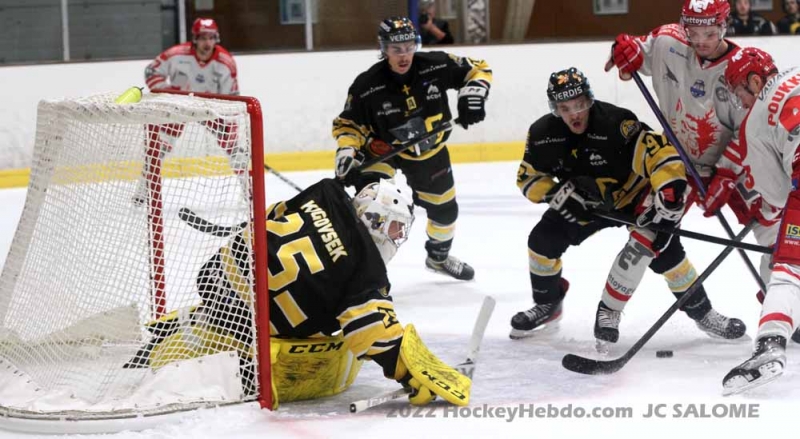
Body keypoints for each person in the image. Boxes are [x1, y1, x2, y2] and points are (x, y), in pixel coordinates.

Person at [125, 178, 472, 408]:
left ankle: (193, 321)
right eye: (394, 227)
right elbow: (372, 335)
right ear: (376, 220)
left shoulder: (326, 191)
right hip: (255, 329)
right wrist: (409, 370)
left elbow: (274, 213)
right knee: (326, 330)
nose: (396, 236)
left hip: (217, 278)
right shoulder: (366, 269)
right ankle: (233, 361)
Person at [509, 68, 746, 349]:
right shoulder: (542, 135)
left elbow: (659, 154)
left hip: (636, 198)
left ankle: (703, 313)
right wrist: (558, 195)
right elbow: (527, 177)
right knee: (541, 242)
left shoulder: (615, 123)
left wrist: (669, 189)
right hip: (588, 205)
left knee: (666, 255)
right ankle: (548, 304)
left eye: (580, 104)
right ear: (554, 108)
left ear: (590, 99)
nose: (575, 114)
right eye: (565, 108)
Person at [605, 0, 782, 315]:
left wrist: (726, 176)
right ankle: (608, 313)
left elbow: (754, 130)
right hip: (679, 162)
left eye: (709, 33)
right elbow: (638, 55)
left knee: (777, 232)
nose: (700, 41)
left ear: (724, 26)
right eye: (693, 31)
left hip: (737, 167)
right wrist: (626, 51)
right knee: (646, 232)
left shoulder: (742, 69)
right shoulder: (668, 41)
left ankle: (787, 306)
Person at [333, 16, 492, 281]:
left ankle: (438, 258)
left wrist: (473, 95)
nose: (404, 55)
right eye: (396, 49)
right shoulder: (367, 85)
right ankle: (364, 268)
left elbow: (477, 69)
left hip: (429, 152)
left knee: (445, 211)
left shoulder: (436, 65)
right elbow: (349, 123)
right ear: (383, 48)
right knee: (376, 205)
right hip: (382, 150)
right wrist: (347, 151)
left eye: (409, 46)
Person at [720, 47, 800, 394]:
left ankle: (769, 345)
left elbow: (779, 196)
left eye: (739, 91)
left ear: (755, 80)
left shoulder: (754, 121)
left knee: (788, 267)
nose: (739, 100)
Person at [135, 17, 244, 204]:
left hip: (209, 109)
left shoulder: (226, 63)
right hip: (180, 106)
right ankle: (142, 192)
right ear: (195, 39)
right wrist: (168, 94)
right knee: (158, 147)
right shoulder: (177, 55)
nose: (207, 42)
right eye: (202, 38)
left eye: (211, 38)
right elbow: (151, 71)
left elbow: (232, 96)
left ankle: (248, 191)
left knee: (235, 151)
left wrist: (225, 120)